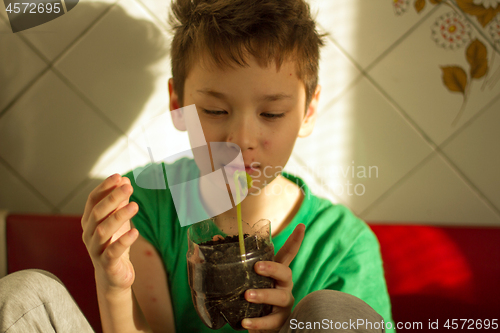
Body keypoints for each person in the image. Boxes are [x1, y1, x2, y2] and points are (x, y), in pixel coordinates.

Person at [0, 0, 395, 332]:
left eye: (272, 113)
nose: (241, 139)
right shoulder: (146, 206)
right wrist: (113, 286)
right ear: (178, 104)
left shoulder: (343, 247)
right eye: (215, 110)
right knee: (23, 295)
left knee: (328, 311)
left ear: (308, 111)